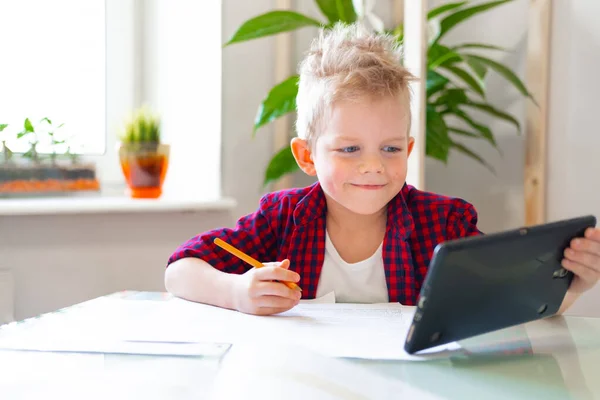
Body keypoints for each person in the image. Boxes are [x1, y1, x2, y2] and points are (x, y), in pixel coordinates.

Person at [164, 23, 600, 316]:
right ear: (307, 156)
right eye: (350, 148)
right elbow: (180, 269)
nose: (373, 165)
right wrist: (237, 292)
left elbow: (508, 300)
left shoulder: (442, 222)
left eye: (390, 148)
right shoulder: (282, 218)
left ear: (408, 149)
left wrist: (574, 286)